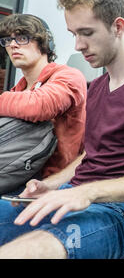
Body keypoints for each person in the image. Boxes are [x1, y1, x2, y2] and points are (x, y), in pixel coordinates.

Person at [0, 0, 124, 259]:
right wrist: (51, 185)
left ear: (117, 26)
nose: (77, 45)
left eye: (87, 33)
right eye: (74, 34)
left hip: (122, 211)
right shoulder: (95, 88)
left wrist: (87, 193)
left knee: (26, 252)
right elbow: (88, 158)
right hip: (74, 192)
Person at [0, 14, 87, 180]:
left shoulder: (69, 76)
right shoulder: (18, 89)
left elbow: (38, 106)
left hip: (49, 179)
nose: (12, 45)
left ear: (44, 43)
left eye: (22, 38)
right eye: (7, 40)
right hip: (16, 171)